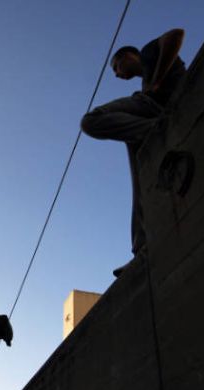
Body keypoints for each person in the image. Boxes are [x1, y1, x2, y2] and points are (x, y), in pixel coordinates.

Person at [80, 28, 186, 277]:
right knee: (139, 179)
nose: (117, 74)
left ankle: (155, 130)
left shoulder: (149, 52)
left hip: (157, 107)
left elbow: (176, 35)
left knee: (92, 120)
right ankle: (142, 249)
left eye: (117, 66)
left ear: (129, 56)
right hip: (154, 113)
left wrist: (156, 80)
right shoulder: (145, 76)